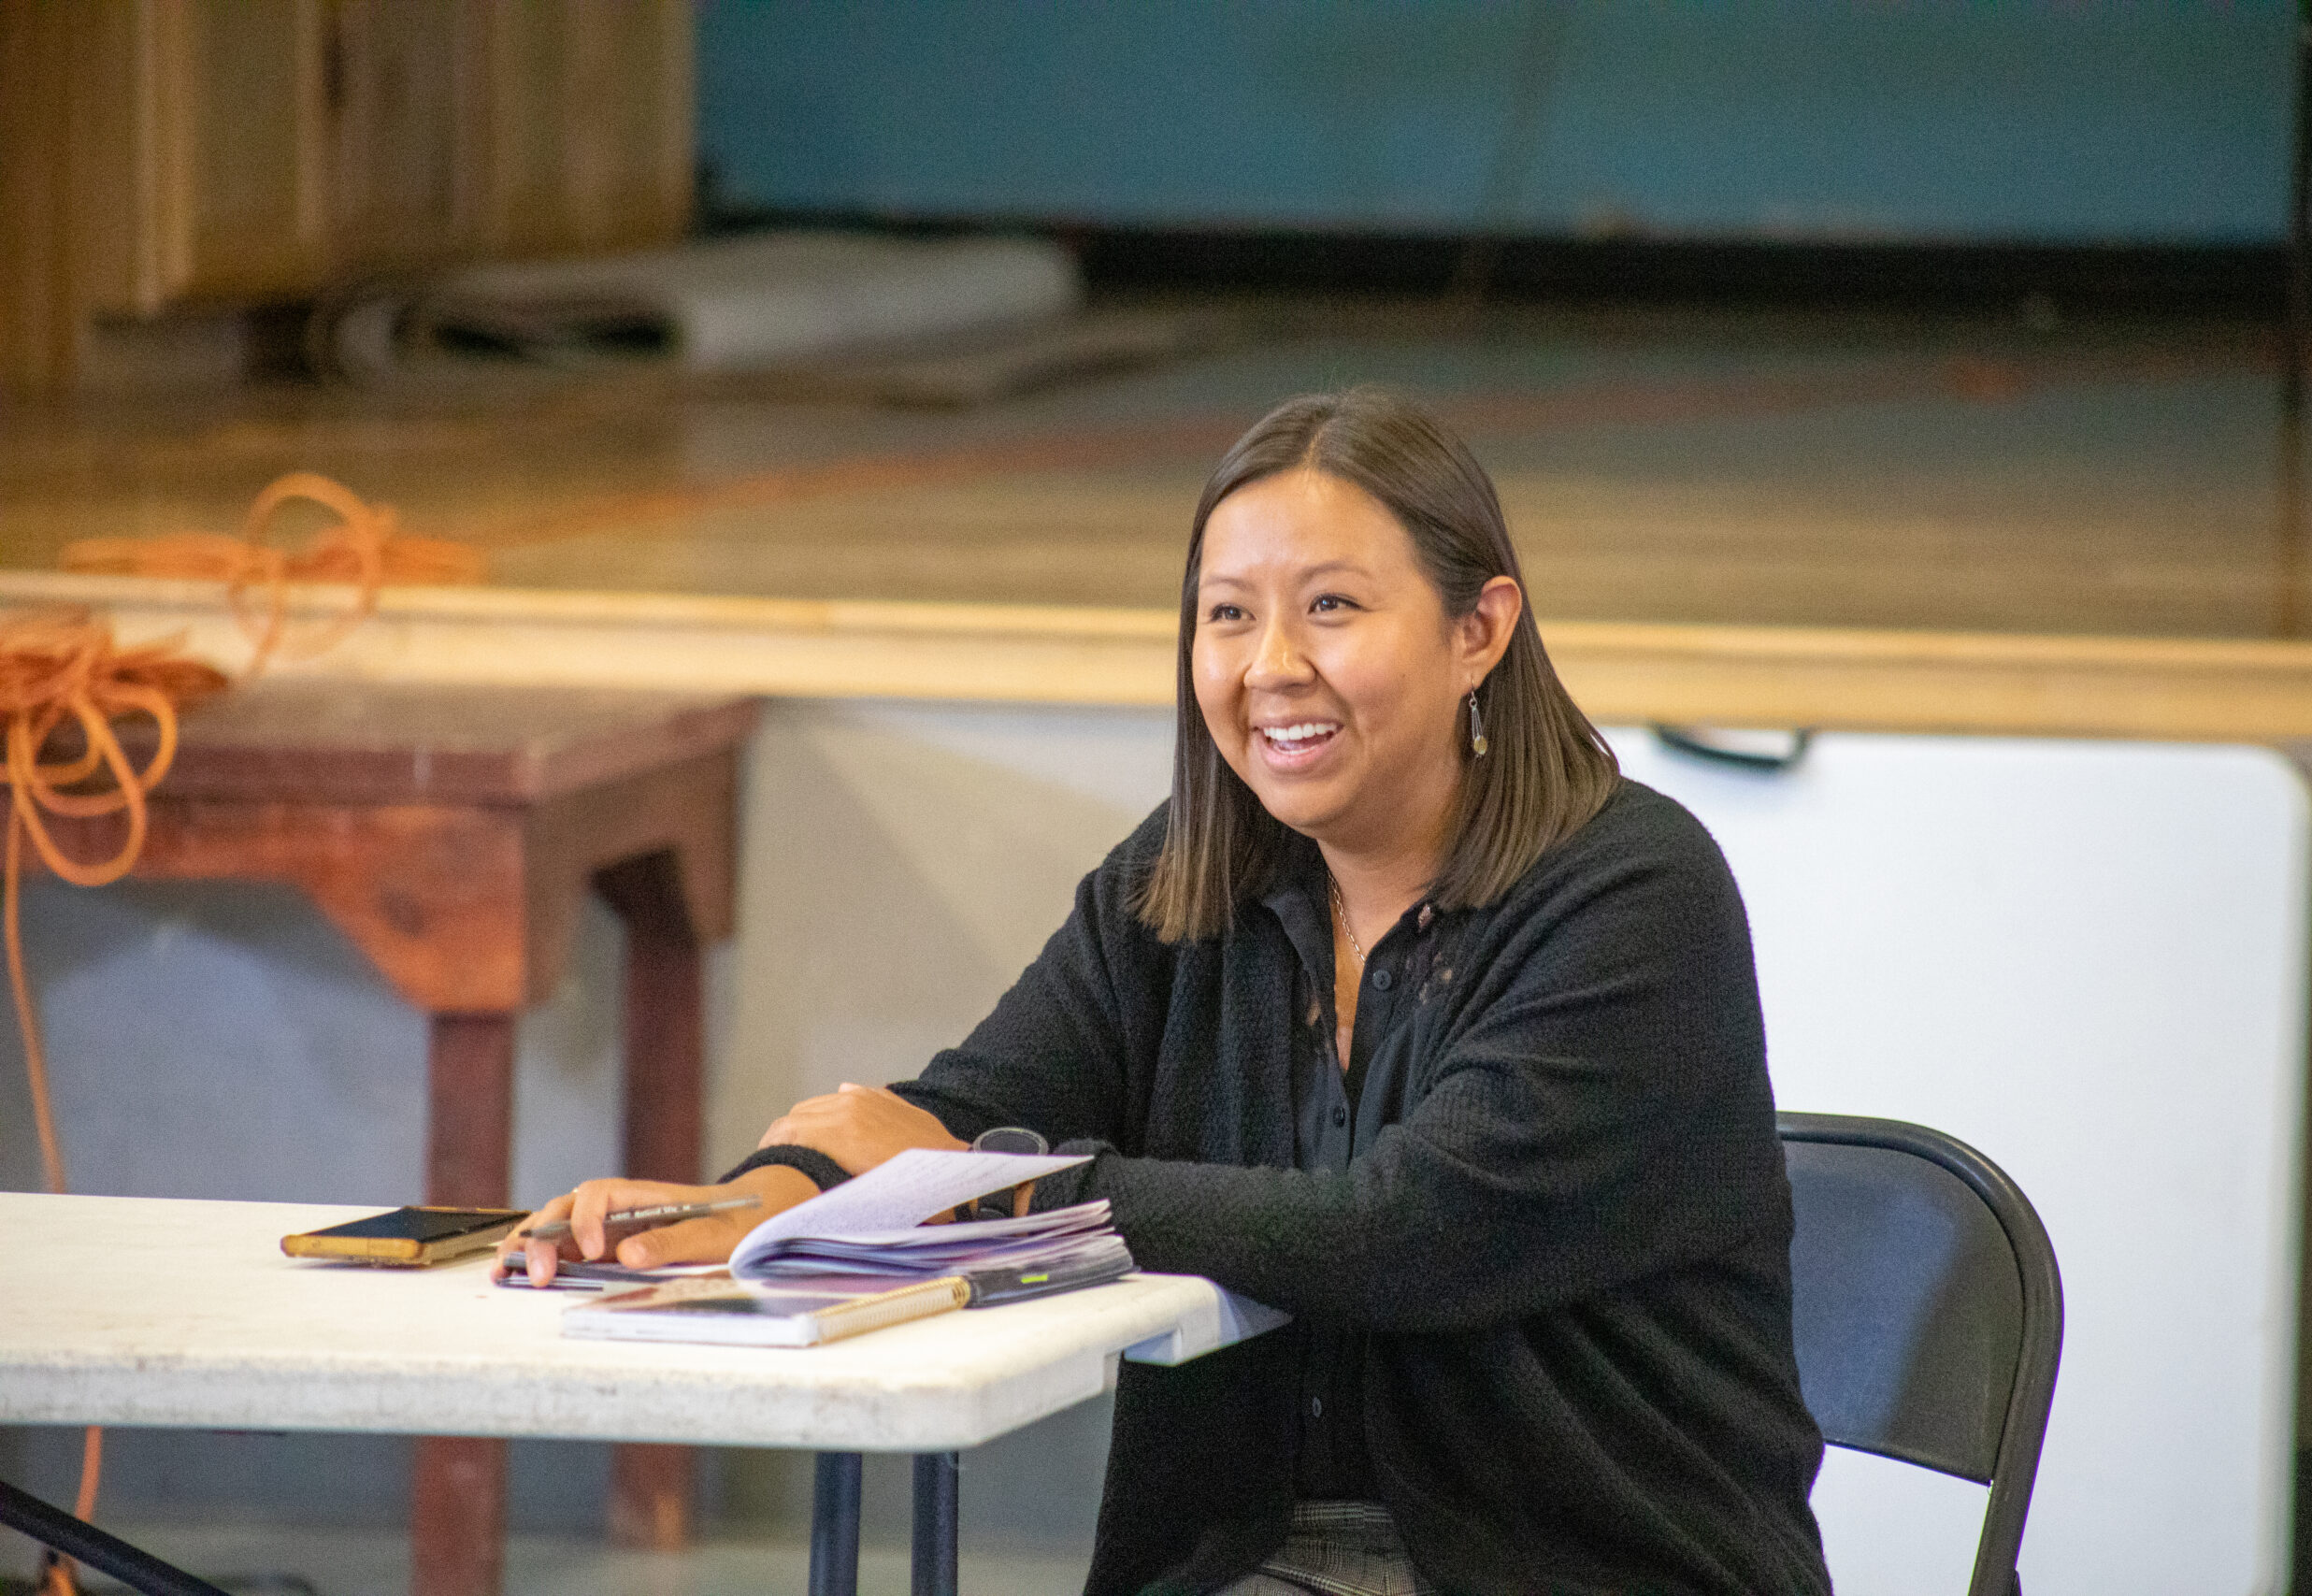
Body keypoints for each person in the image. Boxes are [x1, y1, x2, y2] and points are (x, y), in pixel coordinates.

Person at [510, 388, 1831, 1596]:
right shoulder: (1184, 878)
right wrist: (743, 1213)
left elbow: (1409, 1233)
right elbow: (966, 1106)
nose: (1270, 667)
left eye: (1332, 606)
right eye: (1228, 614)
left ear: (1478, 630)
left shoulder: (1633, 892)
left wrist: (998, 1191)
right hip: (1241, 1566)